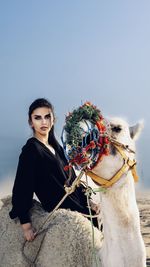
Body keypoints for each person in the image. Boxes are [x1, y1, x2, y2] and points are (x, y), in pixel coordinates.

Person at [9, 98, 100, 241]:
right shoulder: (31, 150)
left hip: (79, 206)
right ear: (30, 122)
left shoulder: (57, 148)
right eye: (37, 118)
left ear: (53, 119)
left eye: (47, 117)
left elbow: (72, 180)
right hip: (62, 213)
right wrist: (26, 224)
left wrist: (90, 202)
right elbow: (22, 186)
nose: (43, 122)